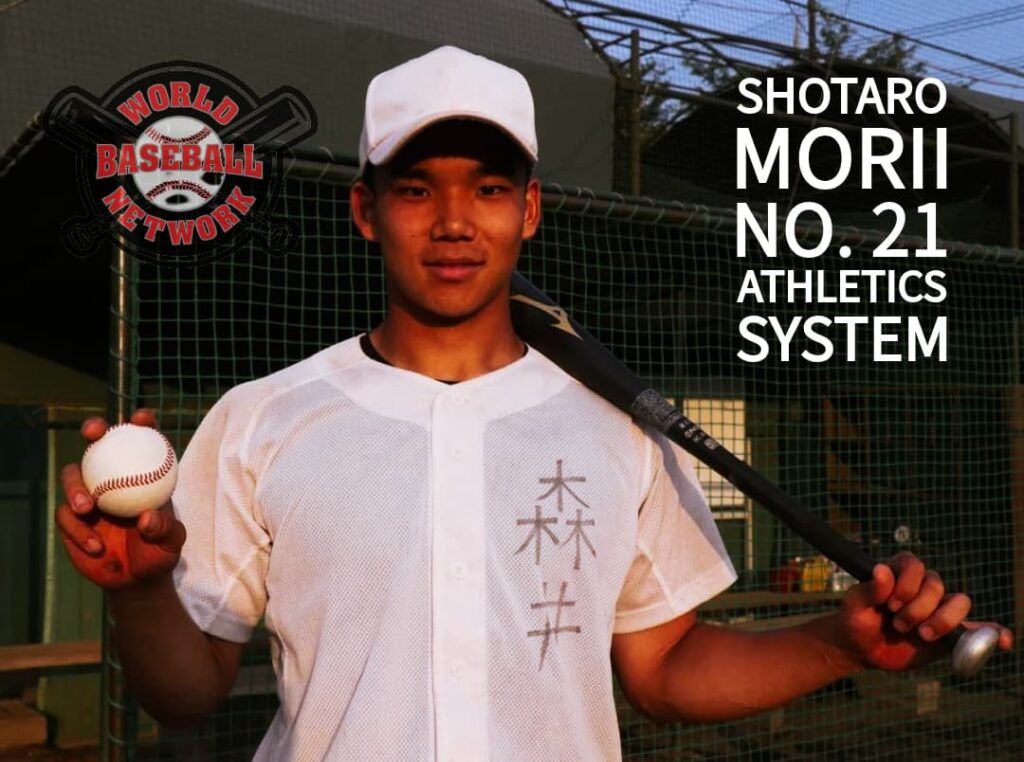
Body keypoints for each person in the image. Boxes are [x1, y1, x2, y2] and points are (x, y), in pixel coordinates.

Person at [57, 46, 1012, 761]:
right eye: (416, 188)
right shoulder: (264, 417)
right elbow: (186, 695)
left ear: (530, 209)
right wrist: (141, 592)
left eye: (489, 186)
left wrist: (837, 641)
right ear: (365, 209)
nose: (453, 221)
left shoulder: (617, 423)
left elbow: (665, 673)